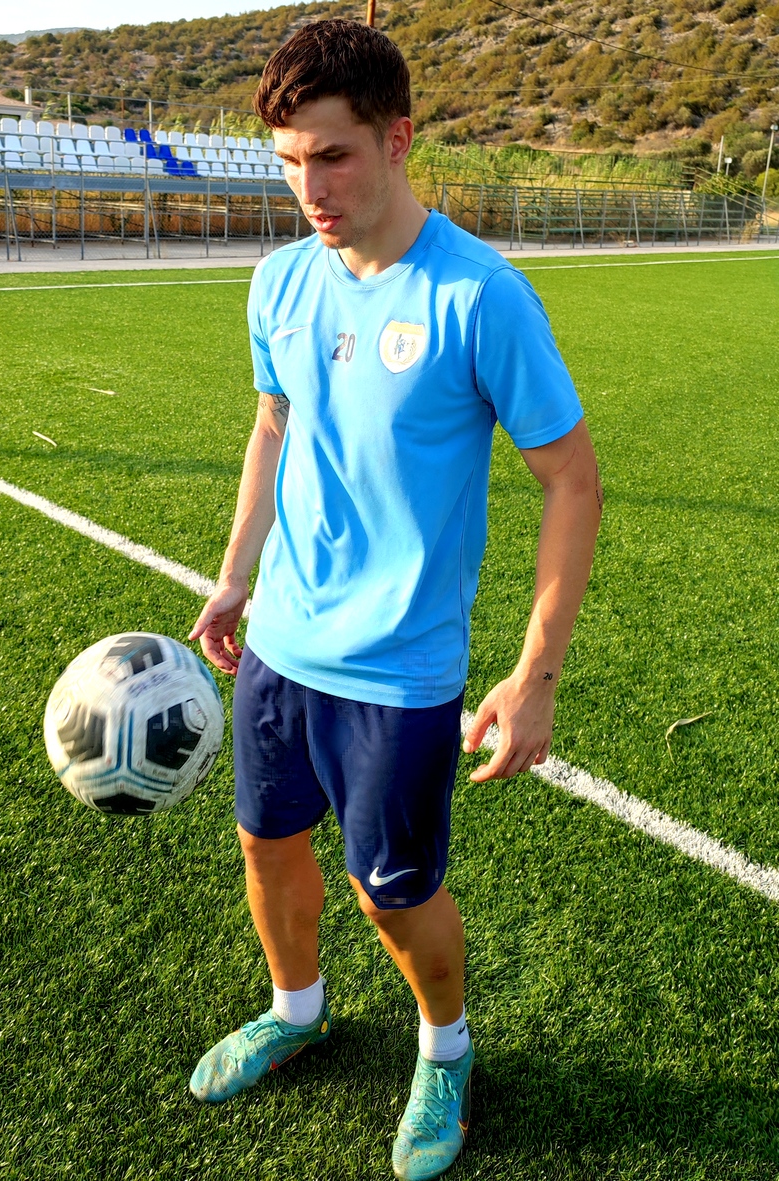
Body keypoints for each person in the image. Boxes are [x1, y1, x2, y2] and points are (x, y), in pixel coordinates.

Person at [188, 18, 602, 1181]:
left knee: (391, 891)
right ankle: (296, 1007)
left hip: (399, 669)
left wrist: (534, 675)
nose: (309, 188)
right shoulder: (279, 280)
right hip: (281, 644)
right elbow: (274, 425)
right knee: (267, 845)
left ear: (398, 138)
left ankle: (446, 1045)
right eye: (289, 162)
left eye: (333, 156)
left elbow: (573, 481)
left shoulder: (480, 295)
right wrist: (235, 574)